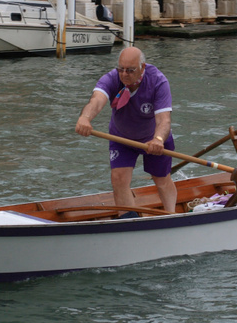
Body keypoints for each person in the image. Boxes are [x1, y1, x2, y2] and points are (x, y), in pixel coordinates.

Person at [75, 46, 177, 216]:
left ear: (142, 67)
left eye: (130, 70)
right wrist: (85, 118)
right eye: (121, 69)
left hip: (153, 139)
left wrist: (158, 139)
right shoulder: (112, 78)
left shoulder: (158, 81)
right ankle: (130, 220)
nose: (124, 74)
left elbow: (164, 120)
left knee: (161, 179)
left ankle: (172, 215)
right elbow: (97, 101)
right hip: (121, 138)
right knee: (118, 179)